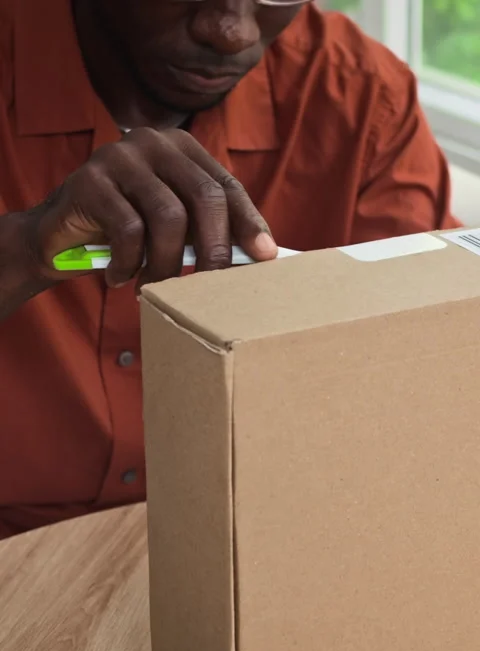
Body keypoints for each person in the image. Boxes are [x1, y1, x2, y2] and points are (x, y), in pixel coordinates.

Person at [0, 0, 458, 538]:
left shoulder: (361, 98)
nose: (232, 32)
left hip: (267, 540)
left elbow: (434, 367)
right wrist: (27, 249)